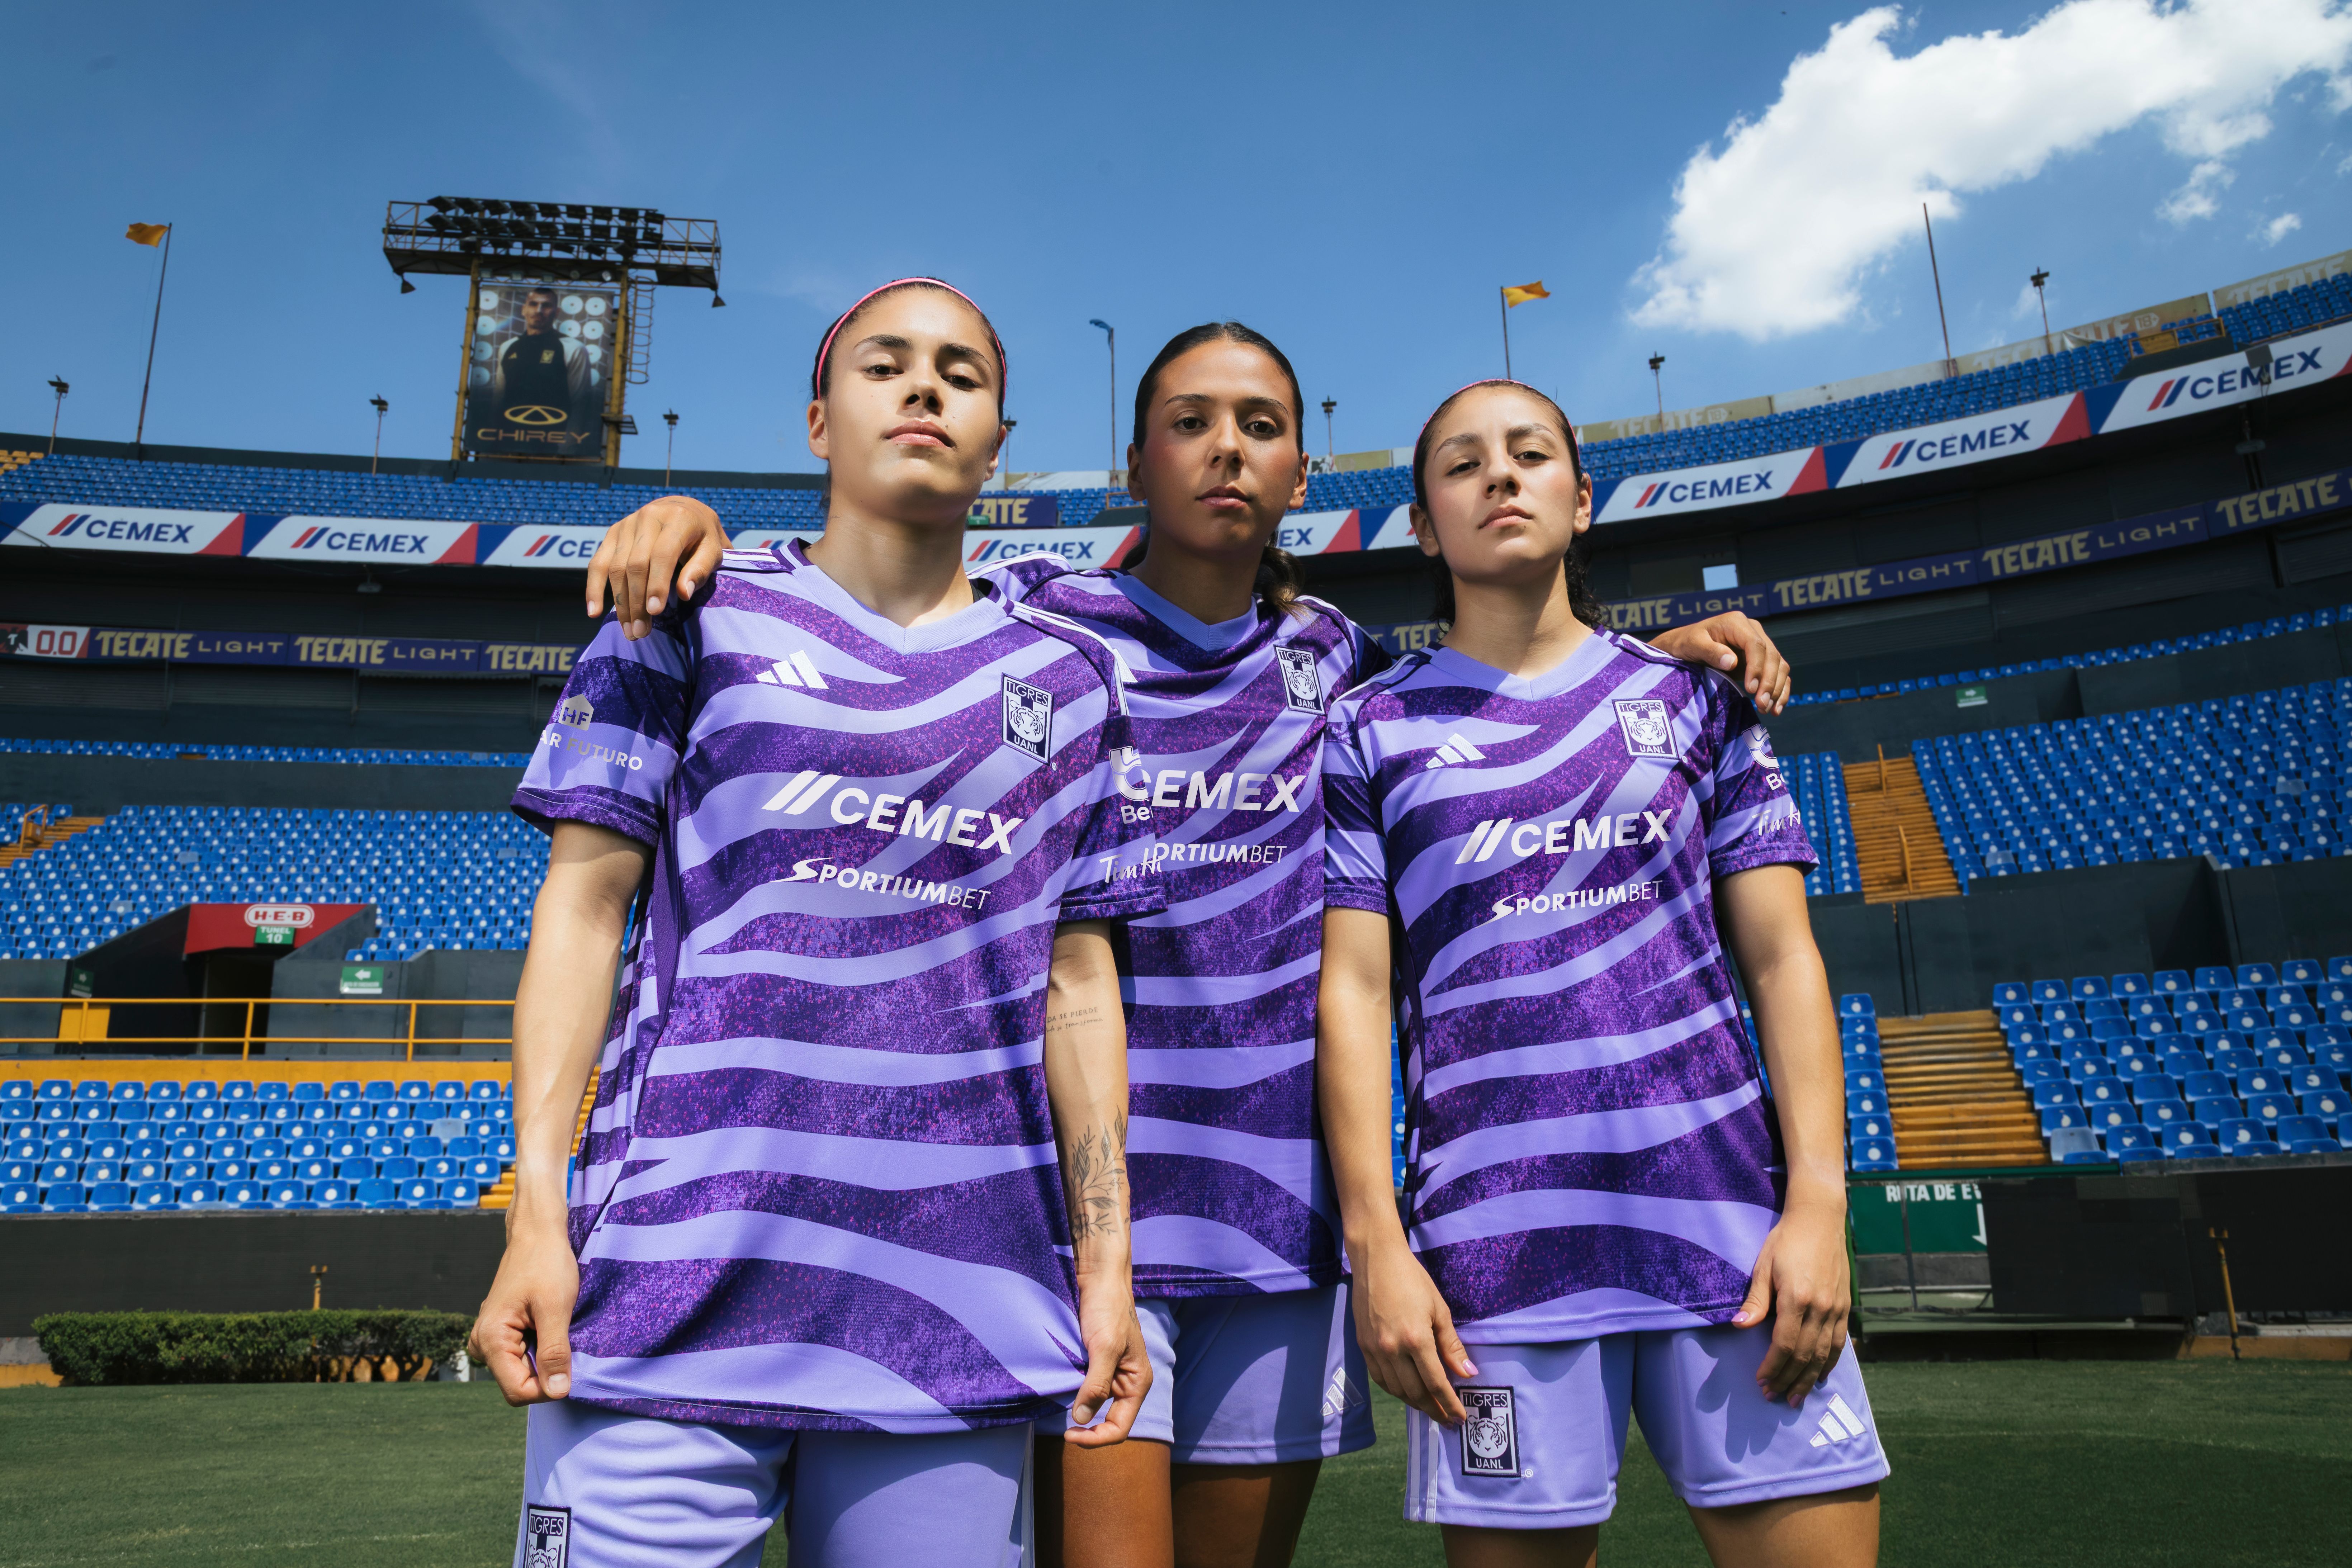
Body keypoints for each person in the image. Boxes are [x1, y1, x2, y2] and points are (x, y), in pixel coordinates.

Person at [574, 332, 1798, 1568]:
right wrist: (686, 519)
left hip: (1274, 1220)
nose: (1226, 447)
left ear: (1299, 473)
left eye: (1260, 425)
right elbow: (882, 570)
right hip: (1076, 1226)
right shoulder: (1040, 617)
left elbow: (1502, 672)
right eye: (1189, 420)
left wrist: (1662, 652)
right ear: (1133, 460)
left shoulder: (1337, 664)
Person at [472, 278, 1161, 1568]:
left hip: (955, 1308)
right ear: (815, 420)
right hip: (667, 1294)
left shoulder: (1070, 682)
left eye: (961, 372)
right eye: (885, 362)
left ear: (998, 437)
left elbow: (1080, 985)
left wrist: (1108, 1263)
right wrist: (535, 1214)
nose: (923, 386)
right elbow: (581, 906)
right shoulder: (685, 610)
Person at [1316, 380, 1883, 1568]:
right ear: (1422, 524)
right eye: (1461, 464)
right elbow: (1355, 995)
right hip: (1493, 1268)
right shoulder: (1367, 731)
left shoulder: (1694, 700)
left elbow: (1782, 959)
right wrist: (1378, 1242)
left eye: (1528, 455)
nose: (1498, 476)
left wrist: (1818, 1206)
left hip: (1729, 1248)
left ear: (1578, 500)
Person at [488, 286, 596, 425]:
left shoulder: (573, 348)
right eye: (533, 304)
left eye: (546, 306)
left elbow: (581, 403)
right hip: (510, 437)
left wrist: (570, 443)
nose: (539, 311)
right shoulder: (508, 347)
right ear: (524, 310)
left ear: (557, 313)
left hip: (552, 438)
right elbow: (499, 398)